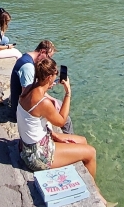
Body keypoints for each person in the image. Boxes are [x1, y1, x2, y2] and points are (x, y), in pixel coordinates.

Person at [18, 58, 99, 191]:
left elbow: (33, 120)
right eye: (54, 77)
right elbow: (61, 120)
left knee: (82, 140)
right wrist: (68, 93)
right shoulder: (42, 102)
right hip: (36, 156)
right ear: (49, 77)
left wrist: (54, 135)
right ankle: (94, 191)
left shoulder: (28, 89)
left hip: (28, 147)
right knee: (91, 152)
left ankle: (84, 179)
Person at [9, 40, 57, 106]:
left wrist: (51, 98)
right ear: (42, 52)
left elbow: (31, 88)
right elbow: (28, 96)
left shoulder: (26, 56)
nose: (48, 60)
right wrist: (46, 86)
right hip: (19, 111)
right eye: (48, 57)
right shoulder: (28, 67)